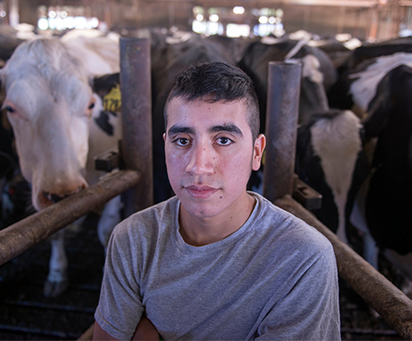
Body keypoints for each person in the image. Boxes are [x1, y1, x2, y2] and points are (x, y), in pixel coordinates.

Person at [93, 61, 341, 341]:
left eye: (223, 140)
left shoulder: (303, 258)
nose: (199, 167)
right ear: (165, 146)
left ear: (256, 152)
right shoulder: (132, 238)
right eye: (182, 141)